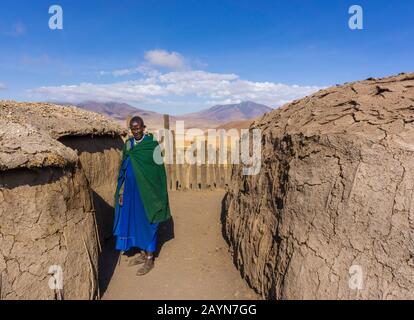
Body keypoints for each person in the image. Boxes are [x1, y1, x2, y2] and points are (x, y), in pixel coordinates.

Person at [113, 116, 171, 276]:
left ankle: (150, 258)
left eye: (139, 128)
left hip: (148, 192)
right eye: (133, 128)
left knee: (149, 221)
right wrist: (122, 190)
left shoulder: (152, 146)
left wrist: (159, 193)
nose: (136, 131)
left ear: (144, 127)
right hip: (131, 192)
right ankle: (143, 253)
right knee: (136, 221)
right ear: (131, 130)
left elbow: (159, 172)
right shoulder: (128, 145)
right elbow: (123, 170)